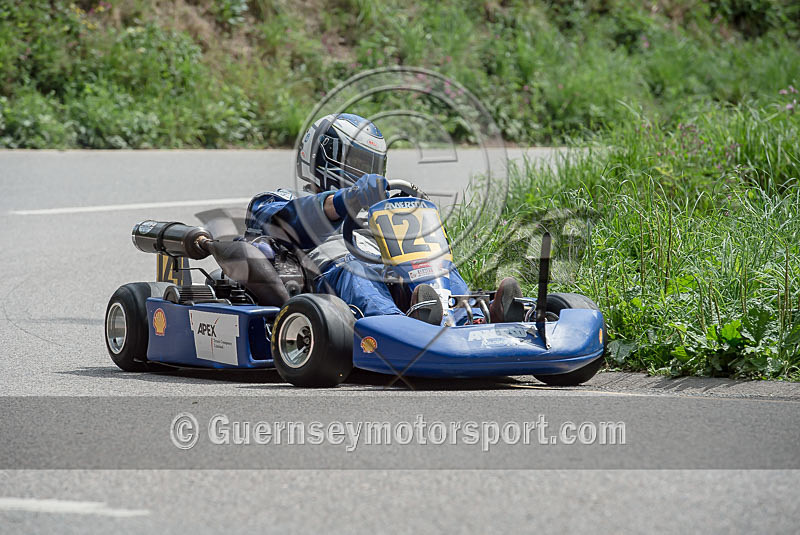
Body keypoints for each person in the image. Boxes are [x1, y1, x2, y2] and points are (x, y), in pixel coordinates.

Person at [245, 113, 523, 325]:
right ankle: (398, 327)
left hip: (397, 278)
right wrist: (346, 200)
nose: (364, 173)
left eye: (370, 165)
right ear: (323, 156)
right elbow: (290, 223)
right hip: (330, 281)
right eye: (357, 164)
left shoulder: (375, 210)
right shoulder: (278, 199)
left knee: (436, 267)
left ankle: (475, 322)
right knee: (357, 269)